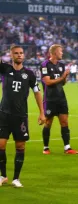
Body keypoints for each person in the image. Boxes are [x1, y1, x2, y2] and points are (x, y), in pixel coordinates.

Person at [0, 45, 46, 188]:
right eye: (16, 53)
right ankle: (3, 176)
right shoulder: (5, 69)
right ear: (11, 55)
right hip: (4, 114)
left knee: (20, 146)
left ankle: (16, 178)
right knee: (1, 145)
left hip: (20, 116)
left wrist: (42, 112)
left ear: (24, 56)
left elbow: (37, 92)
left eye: (21, 53)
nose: (19, 55)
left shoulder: (30, 74)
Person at [41, 44, 78, 155]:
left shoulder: (61, 65)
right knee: (48, 123)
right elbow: (47, 82)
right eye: (60, 51)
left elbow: (63, 83)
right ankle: (46, 148)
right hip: (50, 99)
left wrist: (65, 76)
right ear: (54, 53)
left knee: (64, 122)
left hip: (61, 98)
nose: (62, 53)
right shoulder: (45, 65)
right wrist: (62, 77)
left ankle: (67, 148)